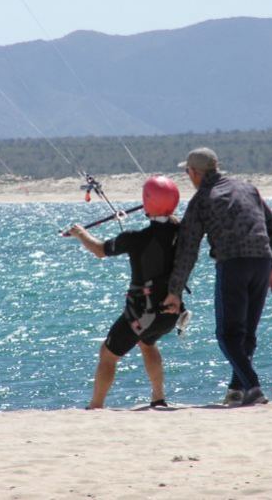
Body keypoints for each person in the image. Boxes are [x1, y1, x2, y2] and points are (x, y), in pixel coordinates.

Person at [162, 147, 272, 406]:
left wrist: (174, 290)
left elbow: (187, 249)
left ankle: (253, 388)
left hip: (233, 265)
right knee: (247, 334)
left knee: (227, 335)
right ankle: (236, 390)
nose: (188, 176)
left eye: (187, 172)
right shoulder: (247, 189)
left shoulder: (202, 199)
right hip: (262, 262)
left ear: (194, 173)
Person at [67, 175, 185, 409]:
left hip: (142, 313)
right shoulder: (182, 233)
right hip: (171, 313)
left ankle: (95, 405)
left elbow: (100, 250)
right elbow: (170, 223)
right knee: (147, 343)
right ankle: (158, 398)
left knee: (108, 354)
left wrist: (80, 233)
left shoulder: (135, 239)